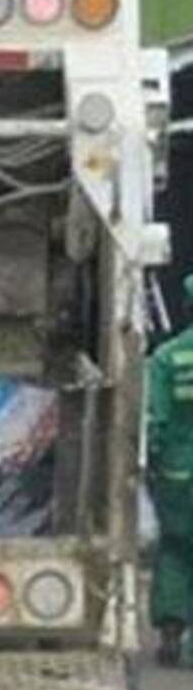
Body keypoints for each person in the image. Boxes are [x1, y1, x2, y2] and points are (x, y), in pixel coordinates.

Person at [146, 272, 193, 668]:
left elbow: (155, 420)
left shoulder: (167, 357)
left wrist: (153, 464)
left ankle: (172, 631)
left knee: (176, 550)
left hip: (179, 474)